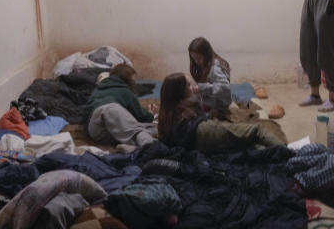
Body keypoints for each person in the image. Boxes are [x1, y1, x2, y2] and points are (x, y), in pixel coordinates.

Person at [157, 73, 285, 154]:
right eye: (189, 86)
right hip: (213, 138)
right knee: (258, 133)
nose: (194, 88)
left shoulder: (167, 121)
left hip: (207, 142)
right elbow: (255, 131)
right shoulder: (203, 128)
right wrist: (290, 154)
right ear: (180, 96)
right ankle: (291, 155)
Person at [85, 64, 156, 150]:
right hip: (108, 112)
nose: (134, 82)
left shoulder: (98, 89)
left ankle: (131, 149)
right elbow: (142, 116)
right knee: (136, 131)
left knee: (147, 128)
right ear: (127, 79)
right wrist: (150, 114)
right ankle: (151, 149)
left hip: (97, 132)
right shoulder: (125, 91)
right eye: (133, 79)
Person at [188, 37, 232, 119]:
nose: (196, 61)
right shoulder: (206, 64)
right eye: (194, 58)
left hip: (218, 107)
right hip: (211, 102)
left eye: (198, 58)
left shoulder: (215, 68)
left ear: (206, 54)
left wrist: (202, 88)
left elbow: (225, 88)